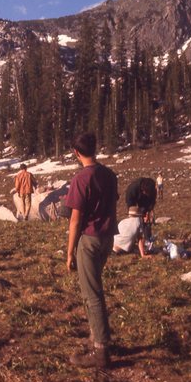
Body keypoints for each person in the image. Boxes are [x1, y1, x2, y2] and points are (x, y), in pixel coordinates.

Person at [65, 132, 118, 369]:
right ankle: (98, 337)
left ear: (76, 153)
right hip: (107, 237)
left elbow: (75, 220)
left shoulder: (81, 179)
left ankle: (101, 351)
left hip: (89, 239)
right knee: (95, 287)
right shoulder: (109, 174)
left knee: (92, 293)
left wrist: (69, 252)